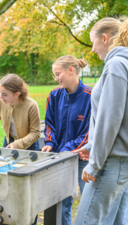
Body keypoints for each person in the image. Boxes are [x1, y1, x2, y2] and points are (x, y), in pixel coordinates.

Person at [73, 17, 128, 225]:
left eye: (93, 43)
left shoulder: (116, 64)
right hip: (122, 161)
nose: (93, 50)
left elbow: (110, 119)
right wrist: (91, 144)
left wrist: (94, 164)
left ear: (104, 38)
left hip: (110, 163)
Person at [0, 73, 41, 225]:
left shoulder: (31, 105)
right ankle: (0, 220)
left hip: (29, 147)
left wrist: (18, 144)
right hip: (9, 144)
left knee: (28, 189)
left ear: (17, 93)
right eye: (0, 93)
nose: (1, 97)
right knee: (3, 184)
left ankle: (29, 221)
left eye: (5, 94)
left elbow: (36, 133)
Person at [42, 55, 91, 225]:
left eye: (57, 74)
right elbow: (49, 124)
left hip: (83, 157)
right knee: (61, 202)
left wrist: (68, 149)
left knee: (88, 200)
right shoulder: (54, 95)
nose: (55, 79)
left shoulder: (90, 96)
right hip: (58, 157)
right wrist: (49, 143)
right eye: (54, 75)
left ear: (71, 70)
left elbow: (89, 132)